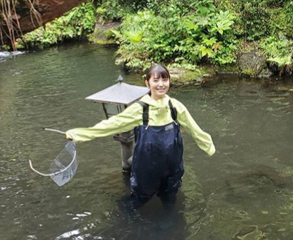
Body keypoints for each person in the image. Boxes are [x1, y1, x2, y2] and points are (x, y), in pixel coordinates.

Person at [66, 64, 215, 203]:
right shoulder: (140, 109)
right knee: (139, 199)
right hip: (147, 168)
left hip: (172, 167)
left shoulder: (174, 106)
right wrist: (79, 135)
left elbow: (194, 128)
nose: (161, 84)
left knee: (170, 197)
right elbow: (111, 124)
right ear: (147, 83)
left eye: (165, 79)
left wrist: (208, 146)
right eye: (156, 80)